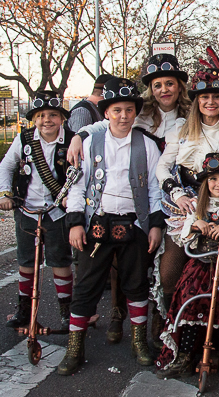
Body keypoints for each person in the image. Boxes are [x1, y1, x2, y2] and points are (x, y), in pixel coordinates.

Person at [66, 57, 189, 344]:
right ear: (150, 89)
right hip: (135, 195)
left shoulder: (189, 115)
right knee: (107, 268)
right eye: (157, 84)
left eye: (170, 83)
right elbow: (105, 125)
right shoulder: (139, 112)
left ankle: (160, 322)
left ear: (179, 86)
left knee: (155, 268)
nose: (164, 89)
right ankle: (116, 314)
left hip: (171, 195)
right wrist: (79, 136)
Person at [59, 77, 166, 375]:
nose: (122, 116)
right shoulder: (91, 141)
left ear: (135, 112)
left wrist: (156, 225)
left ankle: (138, 342)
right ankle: (74, 348)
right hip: (97, 224)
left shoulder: (147, 144)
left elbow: (156, 191)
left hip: (134, 225)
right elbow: (77, 187)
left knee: (136, 285)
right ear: (106, 112)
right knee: (86, 286)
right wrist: (75, 223)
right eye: (116, 110)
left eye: (128, 110)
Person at [157, 62, 219, 332]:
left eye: (217, 97)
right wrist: (177, 194)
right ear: (196, 101)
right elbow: (162, 168)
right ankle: (171, 330)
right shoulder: (179, 132)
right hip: (186, 211)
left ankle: (217, 339)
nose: (211, 102)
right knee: (169, 274)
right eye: (205, 97)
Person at [156, 152, 219, 380]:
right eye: (213, 179)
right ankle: (184, 356)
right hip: (201, 266)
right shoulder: (198, 204)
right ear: (205, 183)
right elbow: (184, 233)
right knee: (191, 305)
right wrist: (196, 224)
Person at [0, 91, 76, 333]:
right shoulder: (24, 139)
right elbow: (7, 165)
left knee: (60, 261)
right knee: (26, 262)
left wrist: (71, 202)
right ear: (34, 119)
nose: (47, 120)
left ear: (62, 117)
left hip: (57, 212)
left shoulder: (72, 139)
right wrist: (4, 193)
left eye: (53, 114)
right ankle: (23, 310)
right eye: (41, 116)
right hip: (27, 210)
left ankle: (66, 312)